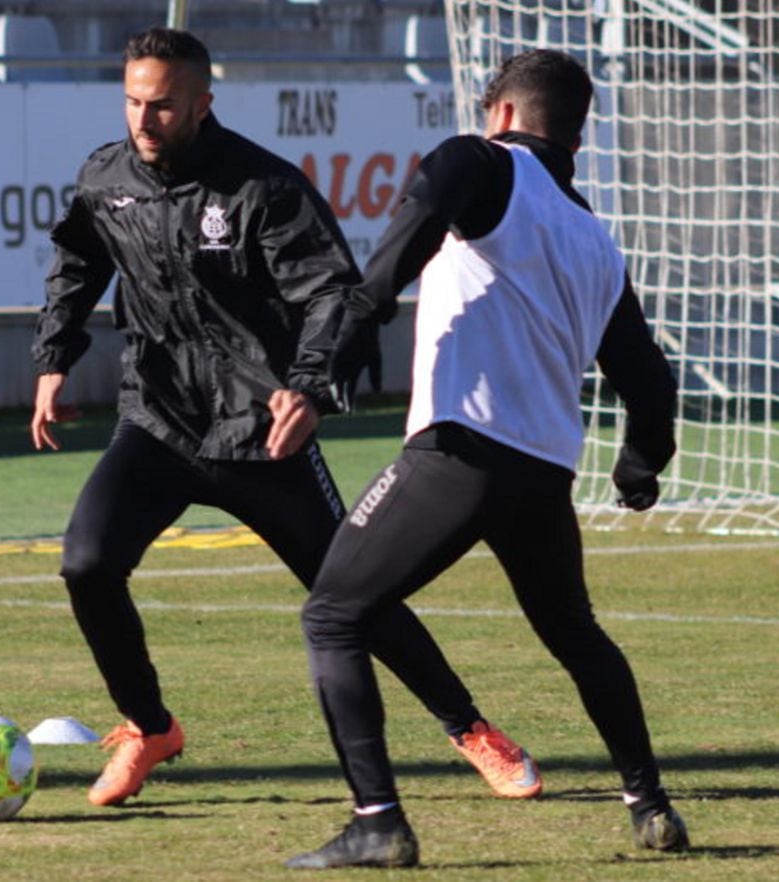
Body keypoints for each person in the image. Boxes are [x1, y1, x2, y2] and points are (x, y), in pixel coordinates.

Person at [30, 27, 540, 809]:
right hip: (158, 424)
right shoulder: (107, 176)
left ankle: (470, 728)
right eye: (133, 101)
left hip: (262, 433)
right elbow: (78, 260)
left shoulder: (264, 187)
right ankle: (148, 725)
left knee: (353, 597)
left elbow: (330, 295)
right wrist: (54, 359)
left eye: (162, 105)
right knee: (87, 563)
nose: (144, 120)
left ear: (203, 104)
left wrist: (305, 387)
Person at [288, 49, 687, 869]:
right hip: (543, 473)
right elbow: (647, 377)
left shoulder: (482, 158)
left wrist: (361, 318)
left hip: (462, 450)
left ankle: (377, 822)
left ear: (502, 115)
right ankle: (649, 803)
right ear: (575, 133)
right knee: (575, 633)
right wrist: (642, 460)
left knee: (333, 614)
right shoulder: (595, 240)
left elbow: (425, 208)